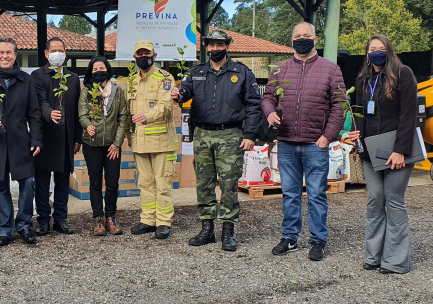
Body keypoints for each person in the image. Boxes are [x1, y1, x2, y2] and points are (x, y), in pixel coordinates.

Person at [261, 22, 345, 261]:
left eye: (306, 35)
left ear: (316, 39)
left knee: (317, 193)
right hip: (286, 141)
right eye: (297, 36)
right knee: (289, 193)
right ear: (291, 41)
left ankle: (318, 240)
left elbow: (339, 106)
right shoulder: (280, 69)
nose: (302, 39)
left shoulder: (331, 69)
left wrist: (327, 136)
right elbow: (267, 97)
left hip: (314, 143)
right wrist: (269, 112)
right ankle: (290, 237)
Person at [173, 29, 262, 251]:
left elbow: (253, 105)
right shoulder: (196, 72)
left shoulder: (241, 73)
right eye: (210, 45)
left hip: (230, 135)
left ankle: (228, 232)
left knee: (229, 184)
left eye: (218, 45)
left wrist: (250, 135)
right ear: (206, 47)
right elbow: (185, 91)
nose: (214, 49)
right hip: (202, 134)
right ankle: (207, 230)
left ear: (227, 47)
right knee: (203, 184)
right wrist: (178, 94)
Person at [345, 35, 418, 274]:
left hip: (397, 149)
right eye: (372, 49)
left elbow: (409, 115)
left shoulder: (403, 73)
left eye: (381, 48)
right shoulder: (364, 79)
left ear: (389, 50)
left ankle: (395, 260)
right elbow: (363, 115)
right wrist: (356, 137)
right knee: (375, 200)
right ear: (367, 54)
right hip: (371, 148)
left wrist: (400, 151)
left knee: (394, 201)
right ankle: (374, 255)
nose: (377, 52)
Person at [0, 37, 43, 246]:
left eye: (9, 52)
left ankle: (24, 225)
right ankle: (4, 229)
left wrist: (37, 138)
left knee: (28, 183)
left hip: (21, 140)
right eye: (1, 52)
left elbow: (34, 113)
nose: (5, 56)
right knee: (0, 185)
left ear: (15, 55)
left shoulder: (25, 79)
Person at [127, 41, 179, 240]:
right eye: (139, 53)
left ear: (154, 55)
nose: (143, 56)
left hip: (161, 141)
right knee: (145, 183)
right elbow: (127, 109)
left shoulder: (164, 78)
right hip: (139, 142)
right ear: (134, 57)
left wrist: (146, 116)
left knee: (162, 183)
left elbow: (166, 106)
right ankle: (148, 220)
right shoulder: (131, 80)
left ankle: (164, 222)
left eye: (146, 53)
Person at [32, 37, 81, 235]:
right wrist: (49, 113)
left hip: (67, 137)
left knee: (62, 181)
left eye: (61, 50)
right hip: (45, 136)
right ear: (46, 54)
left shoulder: (74, 78)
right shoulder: (37, 76)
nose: (57, 53)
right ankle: (43, 219)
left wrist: (78, 138)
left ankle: (60, 219)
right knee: (42, 182)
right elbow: (40, 102)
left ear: (66, 54)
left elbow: (78, 110)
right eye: (53, 50)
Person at [78, 56, 129, 236]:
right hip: (92, 144)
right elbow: (82, 114)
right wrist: (87, 125)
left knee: (113, 182)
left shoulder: (117, 90)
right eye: (95, 69)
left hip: (112, 146)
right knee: (95, 182)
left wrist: (117, 143)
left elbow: (123, 117)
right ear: (91, 73)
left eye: (101, 68)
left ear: (107, 69)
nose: (98, 71)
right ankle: (98, 219)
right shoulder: (87, 91)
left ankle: (111, 218)